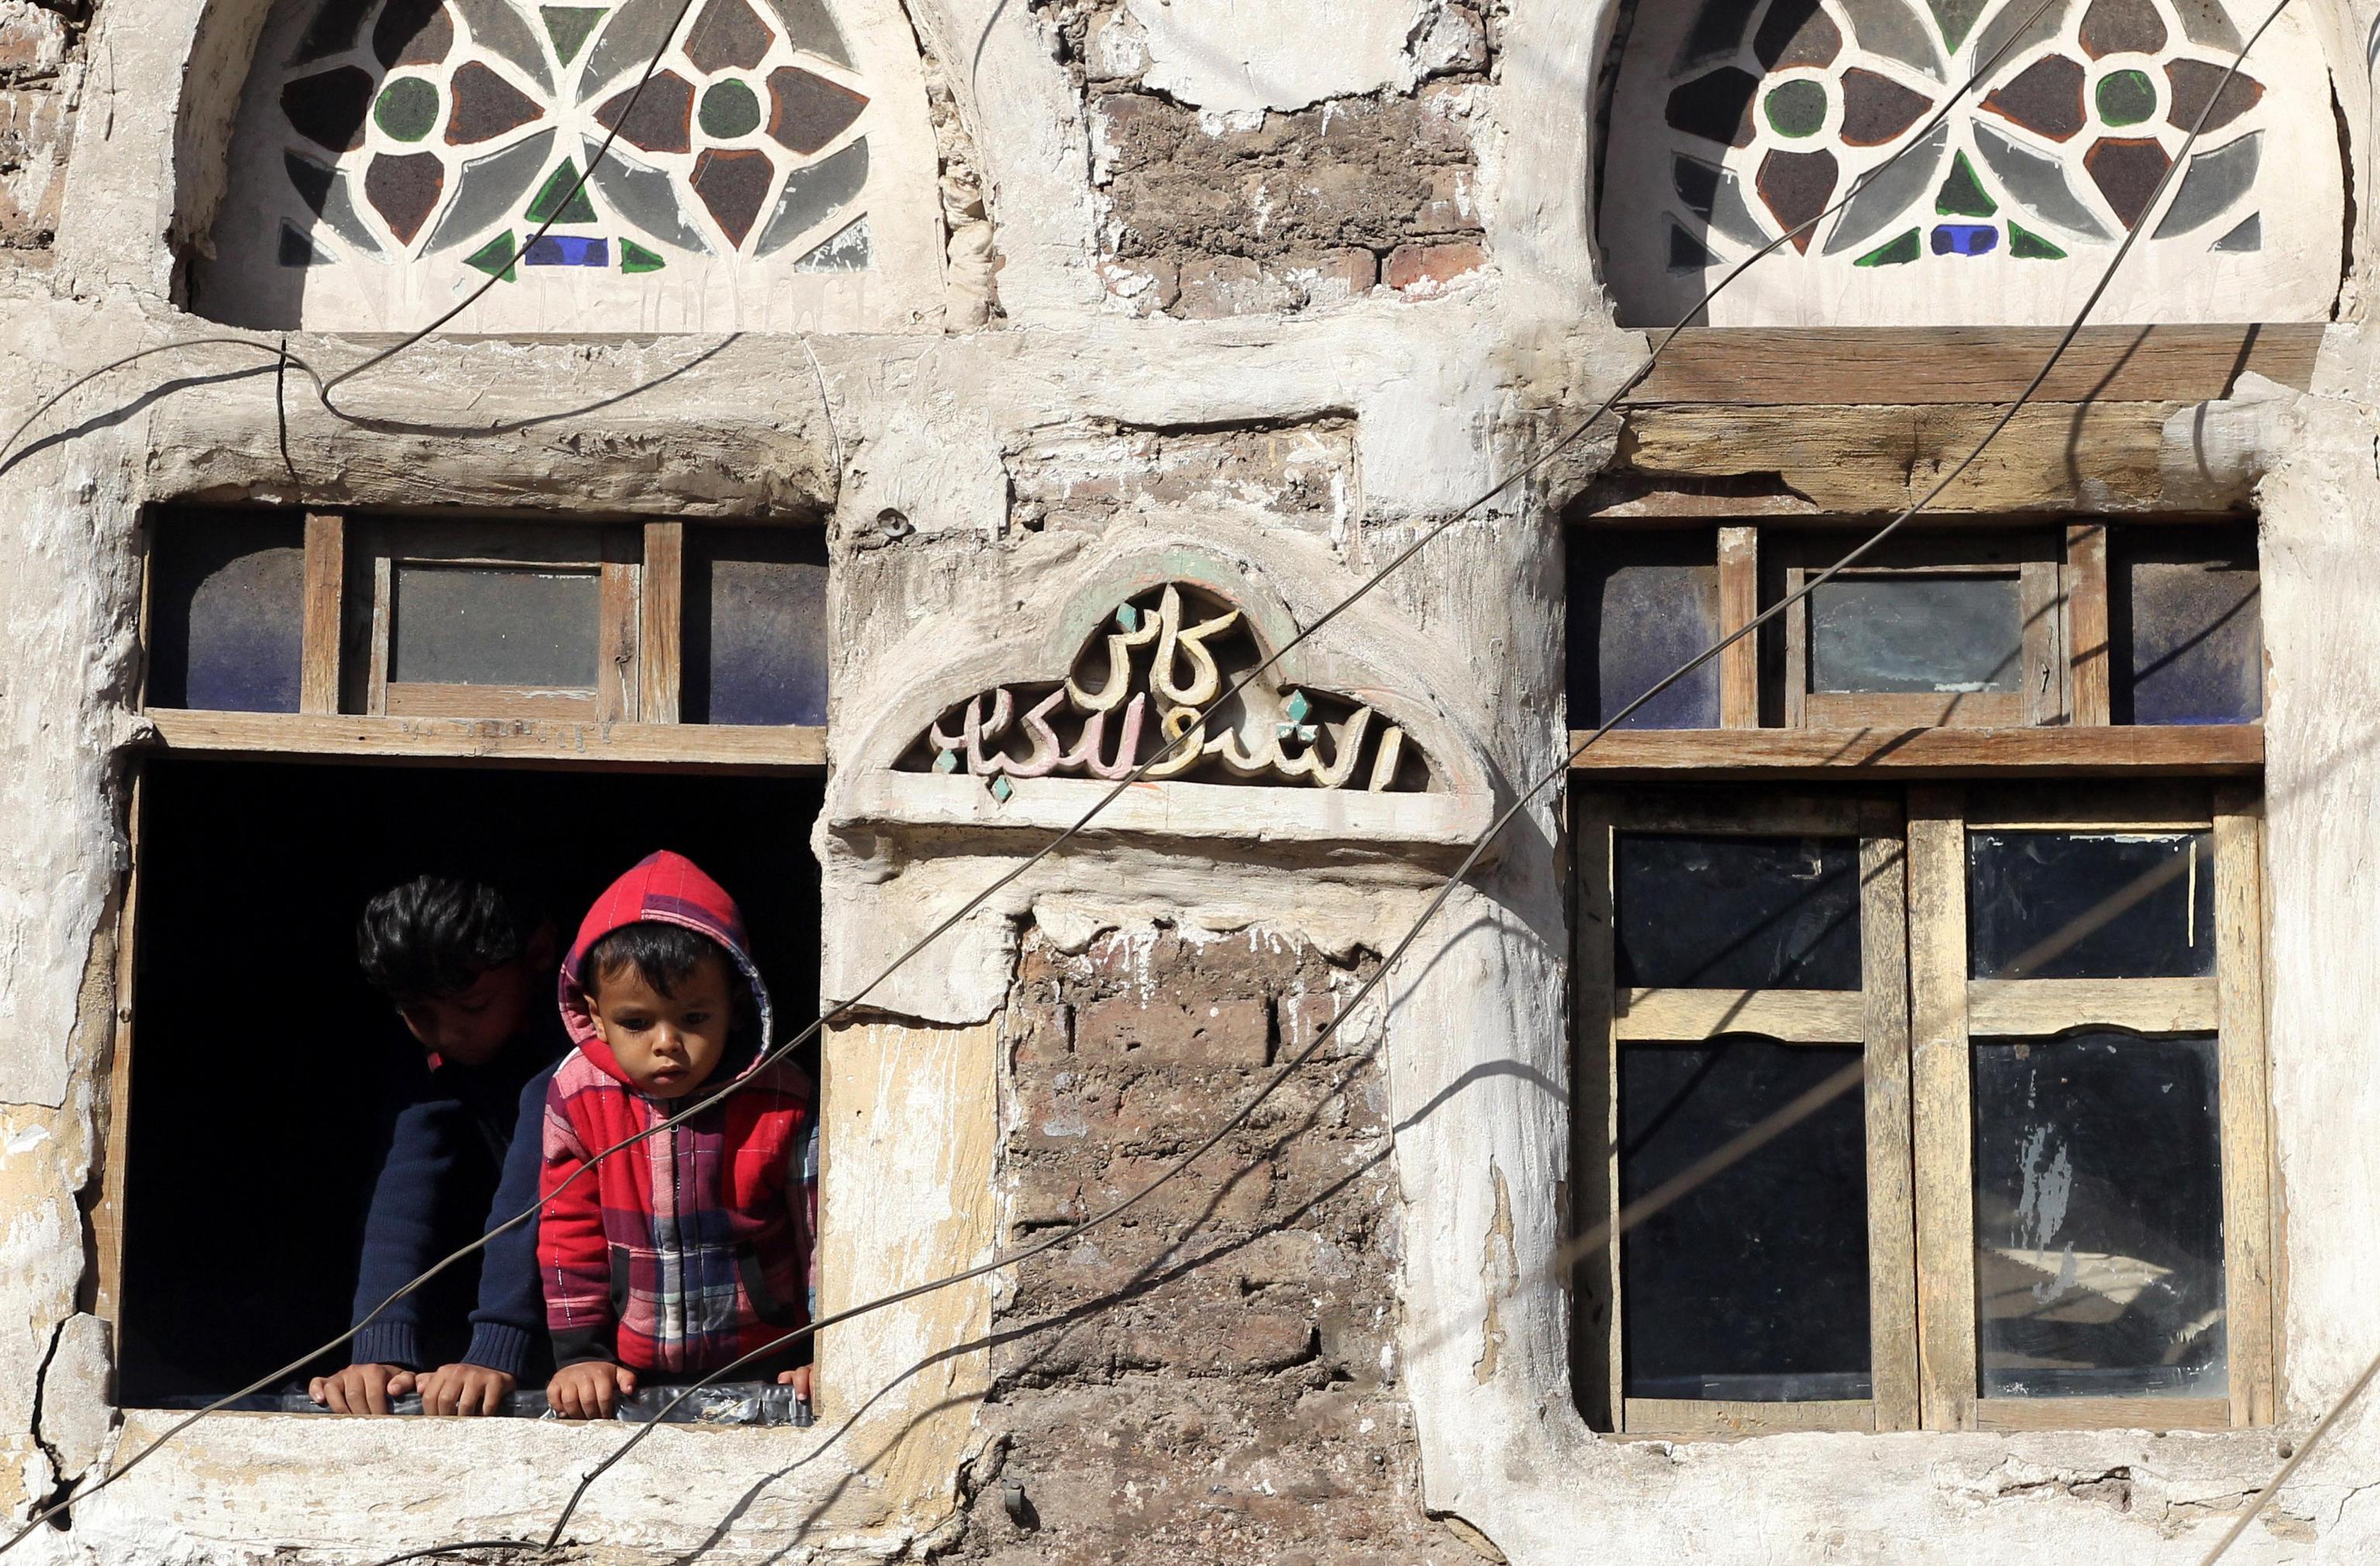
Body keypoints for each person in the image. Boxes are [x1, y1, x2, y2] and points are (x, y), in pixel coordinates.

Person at [538, 851, 818, 1420]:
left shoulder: (782, 1095)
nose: (666, 1042)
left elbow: (820, 1230)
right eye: (637, 1022)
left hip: (768, 1357)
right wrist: (580, 1354)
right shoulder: (577, 1093)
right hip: (630, 1369)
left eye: (694, 1018)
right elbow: (569, 1226)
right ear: (594, 1014)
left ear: (737, 1006)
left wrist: (830, 1347)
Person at [308, 876, 567, 1416]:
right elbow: (406, 1186)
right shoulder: (424, 1055)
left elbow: (529, 1191)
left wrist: (496, 1348)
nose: (446, 1032)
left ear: (540, 954)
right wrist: (380, 1347)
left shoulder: (578, 1050)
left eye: (472, 1007)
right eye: (420, 1013)